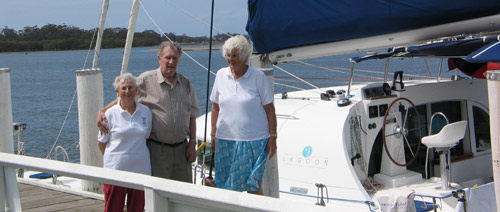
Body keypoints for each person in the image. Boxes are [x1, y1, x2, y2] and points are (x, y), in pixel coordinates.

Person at [97, 41, 201, 183]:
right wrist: (103, 110)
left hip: (183, 150)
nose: (171, 62)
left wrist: (192, 144)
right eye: (167, 58)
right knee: (159, 193)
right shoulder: (145, 81)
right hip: (158, 150)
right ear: (159, 59)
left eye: (175, 58)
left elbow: (192, 116)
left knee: (183, 194)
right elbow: (125, 96)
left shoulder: (186, 84)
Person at [210, 35, 277, 194]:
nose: (230, 59)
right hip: (226, 140)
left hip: (254, 141)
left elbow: (270, 109)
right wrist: (213, 135)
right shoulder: (221, 75)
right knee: (225, 185)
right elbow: (215, 107)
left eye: (235, 55)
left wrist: (273, 137)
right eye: (228, 55)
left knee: (253, 185)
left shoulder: (258, 77)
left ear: (245, 55)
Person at [97, 73, 152, 212]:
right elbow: (101, 143)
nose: (127, 91)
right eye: (123, 88)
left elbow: (145, 137)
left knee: (138, 209)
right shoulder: (109, 114)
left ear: (136, 90)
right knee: (113, 209)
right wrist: (115, 159)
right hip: (115, 172)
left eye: (130, 87)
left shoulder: (145, 112)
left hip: (140, 171)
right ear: (117, 92)